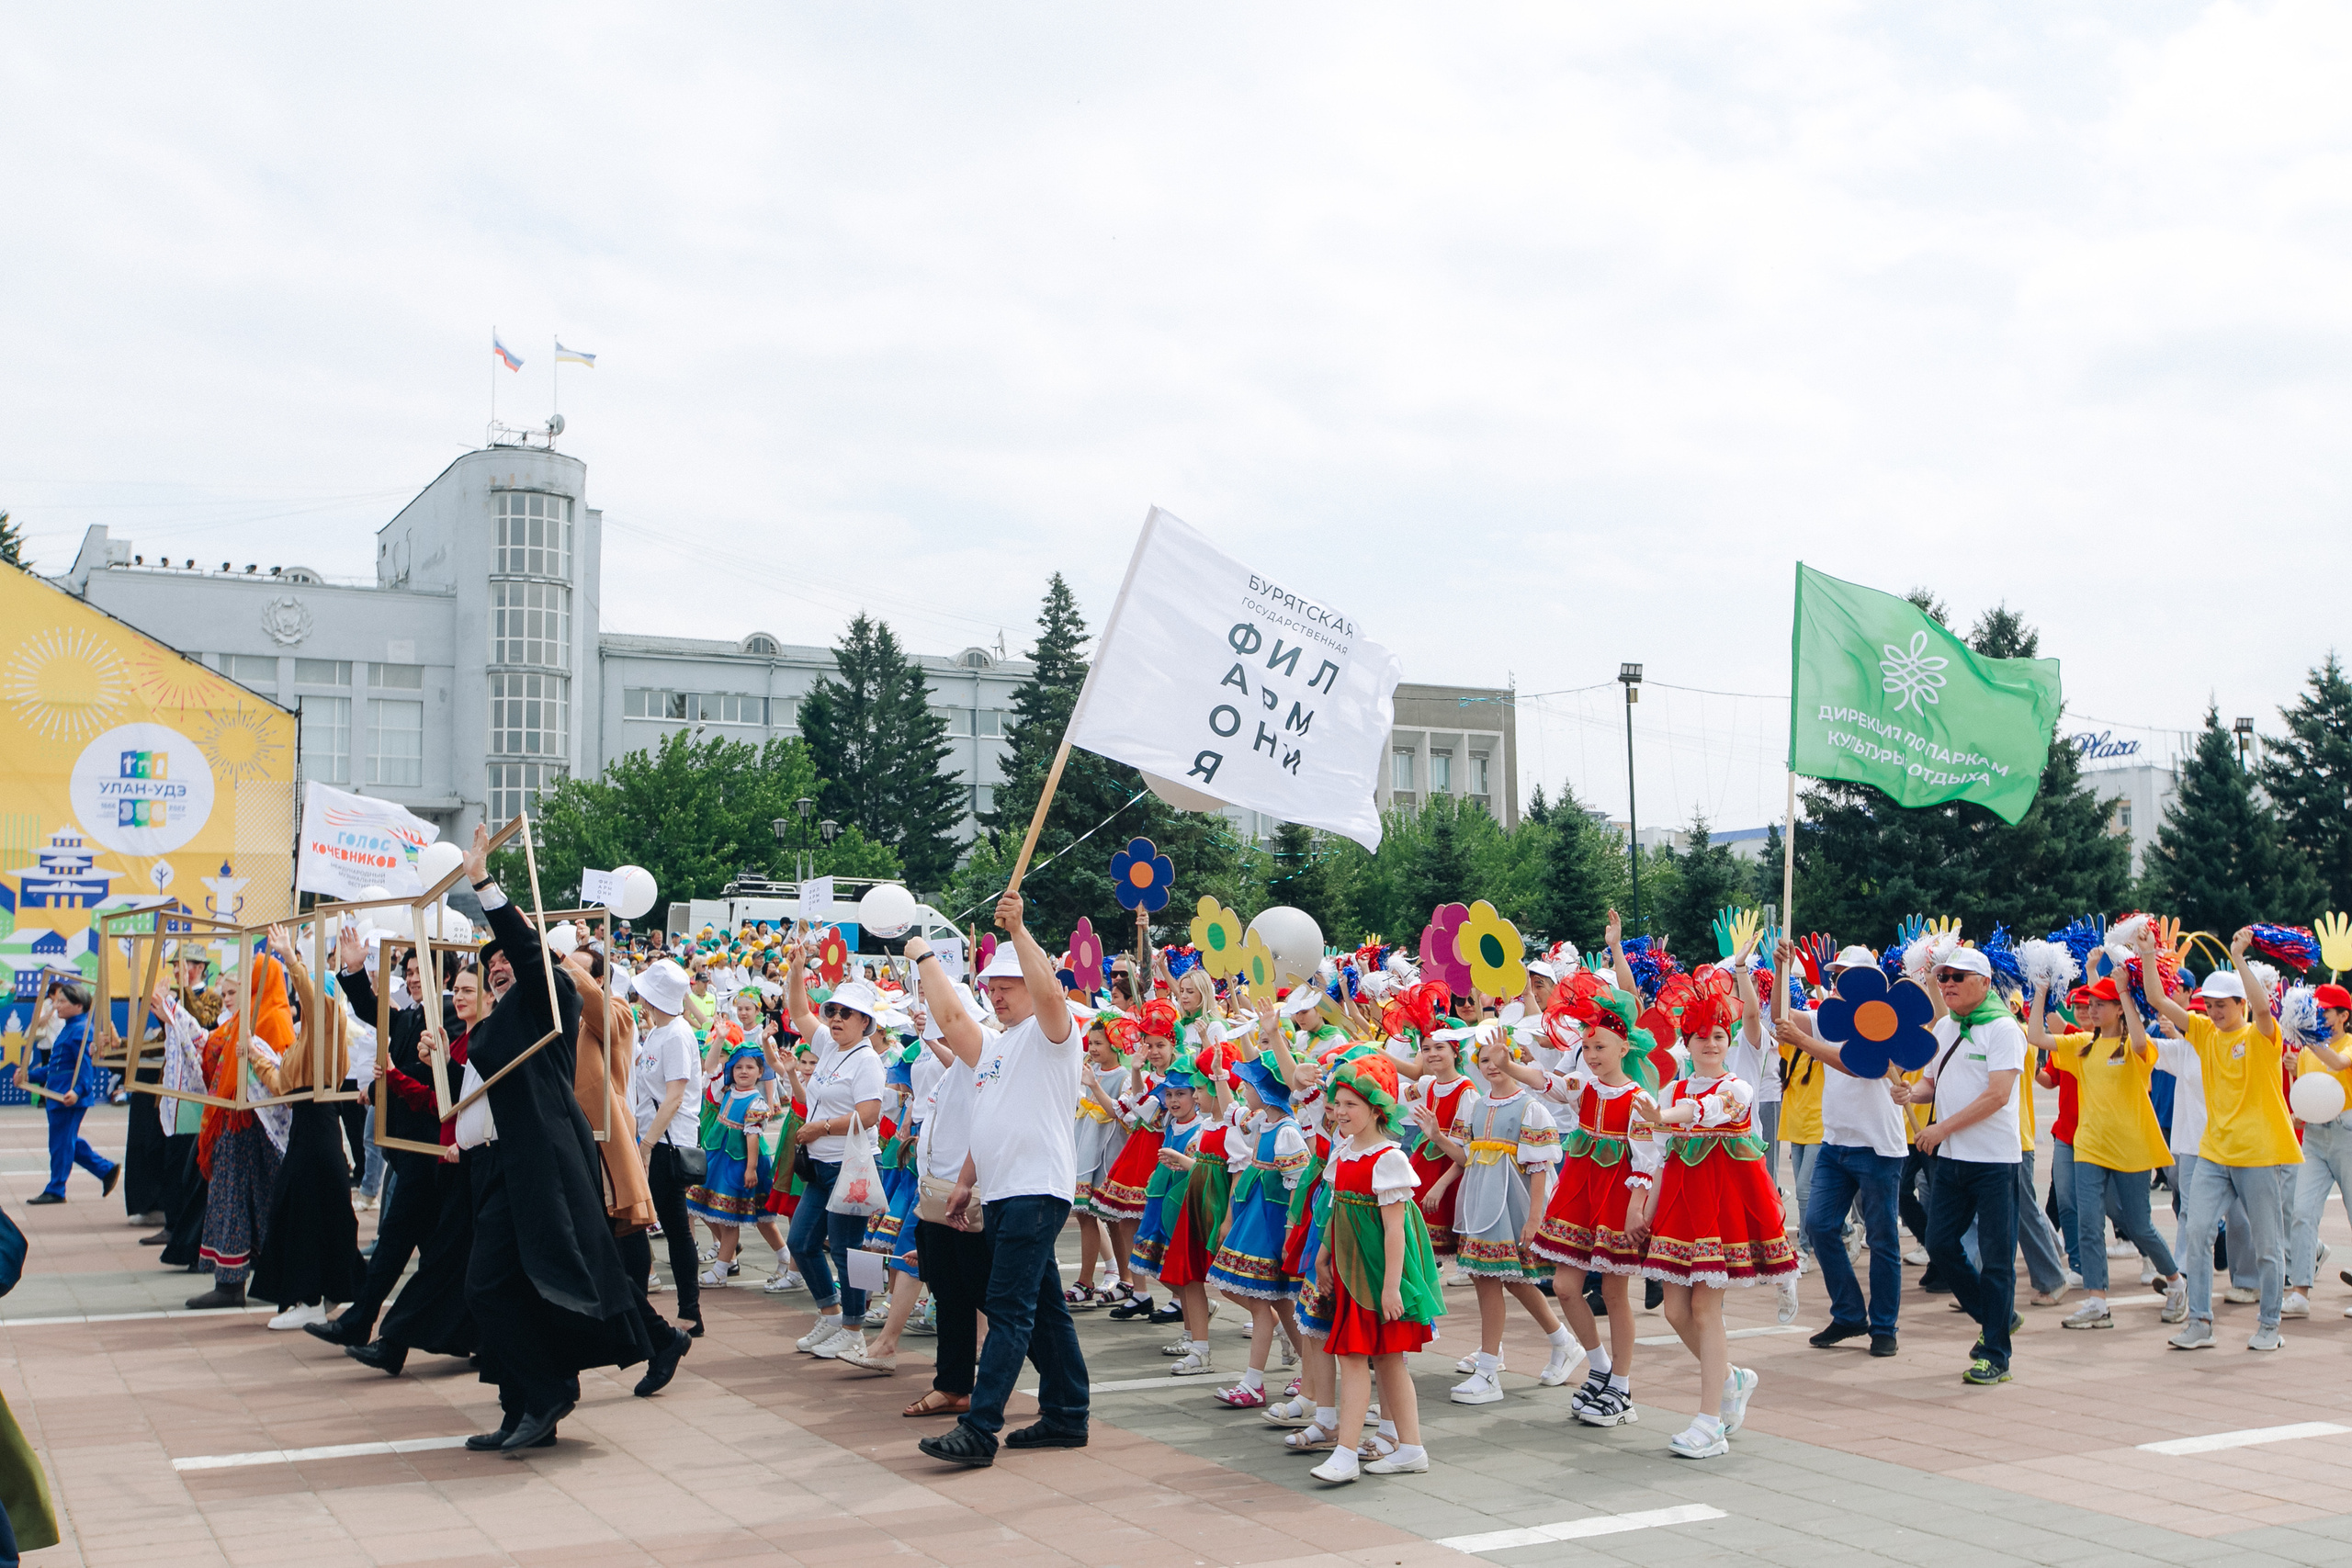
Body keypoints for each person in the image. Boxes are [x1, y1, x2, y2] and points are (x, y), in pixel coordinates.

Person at [452, 825, 652, 1454]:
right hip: (493, 1168)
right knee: (503, 1289)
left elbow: (525, 948)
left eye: (507, 958)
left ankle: (547, 1393)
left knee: (488, 1285)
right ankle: (523, 1406)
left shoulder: (550, 999)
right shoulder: (493, 1021)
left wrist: (483, 881)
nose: (500, 966)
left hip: (536, 1167)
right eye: (492, 965)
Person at [917, 888, 1091, 1469]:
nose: (996, 993)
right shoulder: (994, 1046)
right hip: (1004, 1190)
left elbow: (1047, 991)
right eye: (992, 985)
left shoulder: (1054, 1036)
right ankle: (1067, 1414)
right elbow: (950, 1017)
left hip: (1034, 1188)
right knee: (1041, 1309)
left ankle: (980, 1427)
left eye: (1006, 985)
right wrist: (923, 957)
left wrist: (1019, 931)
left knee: (1008, 1308)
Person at [1636, 976, 1792, 1456]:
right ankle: (1731, 1378)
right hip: (1681, 1208)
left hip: (1721, 1212)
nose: (1710, 1043)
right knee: (1674, 1310)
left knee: (1705, 1309)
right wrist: (1647, 1207)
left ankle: (1710, 1423)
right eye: (1700, 1035)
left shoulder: (1738, 1088)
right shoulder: (1673, 1087)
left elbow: (1701, 1112)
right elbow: (1665, 1154)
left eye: (1718, 1036)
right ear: (1687, 1042)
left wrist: (1661, 1115)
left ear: (1728, 1042)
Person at [2132, 926, 2294, 1352]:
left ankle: (2270, 1324)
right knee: (2199, 1232)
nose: (2215, 1012)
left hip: (2258, 1154)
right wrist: (2149, 956)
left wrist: (2239, 959)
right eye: (2211, 1006)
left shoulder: (2261, 1036)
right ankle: (2201, 1323)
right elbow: (2158, 1000)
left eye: (2224, 1006)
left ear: (2240, 1003)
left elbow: (2263, 1010)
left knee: (2267, 1246)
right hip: (2213, 1152)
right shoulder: (2202, 1032)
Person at [1520, 988, 1657, 1427]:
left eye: (1601, 1046)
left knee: (1615, 1292)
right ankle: (1599, 1366)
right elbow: (1550, 1083)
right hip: (1581, 1194)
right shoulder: (1585, 1086)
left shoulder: (1637, 1097)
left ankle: (1622, 1384)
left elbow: (1646, 1158)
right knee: (1564, 1286)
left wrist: (1636, 1207)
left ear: (1624, 1046)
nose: (1593, 1054)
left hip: (1616, 1197)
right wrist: (1506, 1064)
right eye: (1587, 1047)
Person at [340, 967, 487, 1376]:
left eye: (468, 990)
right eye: (456, 989)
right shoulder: (448, 1036)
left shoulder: (477, 1038)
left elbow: (469, 1096)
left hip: (469, 1164)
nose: (458, 997)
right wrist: (397, 1077)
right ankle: (473, 1338)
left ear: (489, 997)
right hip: (445, 1162)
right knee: (457, 1262)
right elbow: (440, 1099)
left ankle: (393, 1341)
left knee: (447, 1261)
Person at [1892, 946, 2024, 1385]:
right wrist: (1912, 1094)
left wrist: (1941, 1128)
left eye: (1958, 976)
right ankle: (1995, 1317)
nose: (1947, 983)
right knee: (1941, 1244)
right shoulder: (1946, 1027)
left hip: (1993, 1161)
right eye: (1943, 976)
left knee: (1997, 1259)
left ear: (1985, 983)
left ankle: (1996, 1353)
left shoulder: (2003, 1028)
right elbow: (1932, 1081)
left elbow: (1997, 1095)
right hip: (1951, 1159)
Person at [1422, 1026, 1574, 1407]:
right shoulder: (1475, 1106)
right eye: (1484, 1059)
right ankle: (1561, 1341)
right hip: (1481, 1202)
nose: (1491, 1066)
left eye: (1499, 1057)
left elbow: (1539, 1167)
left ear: (1515, 1059)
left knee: (1496, 1280)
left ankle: (1489, 1370)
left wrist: (1535, 1217)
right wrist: (1439, 1141)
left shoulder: (1530, 1107)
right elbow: (1466, 1156)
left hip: (1513, 1203)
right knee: (1506, 1280)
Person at [1308, 1052, 1440, 1484]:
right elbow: (1337, 1211)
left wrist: (1391, 1288)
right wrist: (1325, 1253)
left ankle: (1345, 1454)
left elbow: (1396, 1230)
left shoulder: (1387, 1158)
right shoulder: (1344, 1151)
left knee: (1359, 1356)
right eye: (1337, 1103)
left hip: (1378, 1268)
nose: (1341, 1113)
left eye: (1352, 1105)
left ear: (1377, 1109)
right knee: (1384, 1360)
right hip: (1350, 1265)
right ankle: (1412, 1448)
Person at [1772, 942, 1908, 1358]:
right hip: (1836, 1142)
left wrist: (1801, 1040)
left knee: (1884, 1239)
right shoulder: (1827, 1017)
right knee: (1819, 1225)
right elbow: (1781, 1018)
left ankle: (1884, 1326)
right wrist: (1781, 970)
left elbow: (1856, 1062)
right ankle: (1850, 1313)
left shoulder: (1884, 1021)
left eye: (1847, 976)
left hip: (1878, 1146)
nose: (1838, 984)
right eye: (1835, 977)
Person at [2026, 974, 2182, 1331]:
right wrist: (2039, 990)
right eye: (2089, 1004)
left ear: (2118, 1010)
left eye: (2100, 1004)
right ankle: (2097, 1301)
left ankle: (2175, 1282)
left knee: (2139, 1226)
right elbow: (2036, 1037)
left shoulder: (2133, 1048)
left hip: (2131, 1148)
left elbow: (2141, 1042)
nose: (2091, 1010)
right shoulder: (2081, 1044)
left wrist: (2125, 990)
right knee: (2088, 1224)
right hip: (2090, 1146)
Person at [311, 939, 441, 1352]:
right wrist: (352, 970)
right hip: (406, 1153)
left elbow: (435, 1086)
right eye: (413, 971)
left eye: (425, 972)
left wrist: (386, 1082)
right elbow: (373, 1013)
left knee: (397, 1246)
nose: (416, 978)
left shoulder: (449, 1018)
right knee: (434, 1254)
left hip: (430, 1155)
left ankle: (374, 1328)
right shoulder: (408, 1017)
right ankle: (383, 1330)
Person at [157, 950, 295, 1309]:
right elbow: (209, 1049)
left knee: (246, 1200)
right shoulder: (240, 1020)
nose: (229, 997)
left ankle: (244, 1281)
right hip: (235, 1127)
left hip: (258, 1130)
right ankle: (239, 1280)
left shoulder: (273, 1020)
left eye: (238, 988)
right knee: (240, 1200)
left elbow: (282, 1079)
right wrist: (174, 1016)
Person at [249, 926, 368, 1330]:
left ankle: (310, 1297)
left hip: (318, 1133)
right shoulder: (306, 1041)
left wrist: (290, 957)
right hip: (308, 1132)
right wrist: (256, 1057)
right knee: (314, 1212)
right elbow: (284, 1085)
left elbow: (316, 1002)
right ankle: (331, 1289)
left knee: (304, 1213)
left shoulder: (327, 1022)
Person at [898, 931, 988, 1420]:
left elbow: (958, 1036)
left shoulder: (985, 1053)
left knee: (993, 1297)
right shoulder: (956, 1064)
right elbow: (949, 1054)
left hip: (970, 1196)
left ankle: (1049, 1387)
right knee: (949, 1292)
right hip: (936, 1196)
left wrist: (923, 958)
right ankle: (953, 1384)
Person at [780, 955, 888, 1361]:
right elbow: (797, 1010)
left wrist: (821, 1127)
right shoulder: (827, 1043)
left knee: (847, 1250)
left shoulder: (867, 1060)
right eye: (834, 1011)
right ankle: (831, 1313)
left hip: (853, 1166)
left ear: (865, 1023)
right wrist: (794, 972)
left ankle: (855, 1330)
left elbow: (870, 1114)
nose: (837, 1018)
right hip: (821, 1166)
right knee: (802, 1242)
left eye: (848, 1013)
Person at [632, 959, 707, 1337]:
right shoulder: (660, 1031)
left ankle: (690, 1311)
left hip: (667, 1142)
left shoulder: (676, 1034)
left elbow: (674, 1097)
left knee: (675, 1227)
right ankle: (686, 1309)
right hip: (654, 1138)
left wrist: (645, 1145)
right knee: (670, 1225)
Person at [2284, 983, 2352, 1319]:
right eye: (2316, 1010)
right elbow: (2310, 1095)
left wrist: (2310, 1040)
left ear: (2343, 1016)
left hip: (2347, 1134)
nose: (2320, 1016)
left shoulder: (2347, 1044)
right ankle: (2300, 1290)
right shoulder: (2309, 1051)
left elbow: (2339, 1063)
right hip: (2314, 1136)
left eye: (2325, 1011)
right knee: (2302, 1211)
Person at [25, 979, 118, 1206]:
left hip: (67, 1098)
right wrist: (29, 1076)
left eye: (62, 1002)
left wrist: (77, 1091)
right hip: (58, 1096)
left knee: (61, 1143)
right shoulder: (71, 1029)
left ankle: (56, 1188)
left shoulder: (80, 1031)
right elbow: (56, 1067)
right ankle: (105, 1170)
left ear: (79, 1005)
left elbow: (85, 1066)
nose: (57, 1006)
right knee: (66, 1142)